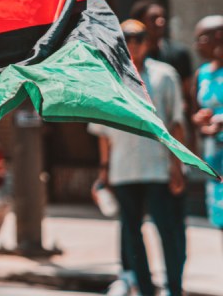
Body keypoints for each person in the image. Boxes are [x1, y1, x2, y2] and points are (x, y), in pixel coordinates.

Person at [90, 19, 186, 296]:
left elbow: (176, 122)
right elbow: (103, 132)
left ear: (147, 42)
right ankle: (144, 289)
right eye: (126, 38)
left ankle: (174, 288)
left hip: (158, 166)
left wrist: (177, 165)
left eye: (138, 38)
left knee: (167, 231)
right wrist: (104, 171)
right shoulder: (109, 78)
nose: (132, 44)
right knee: (132, 234)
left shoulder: (165, 75)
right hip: (123, 167)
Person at [191, 15, 223, 240]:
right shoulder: (202, 73)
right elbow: (194, 112)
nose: (196, 45)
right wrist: (200, 120)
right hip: (215, 161)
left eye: (201, 38)